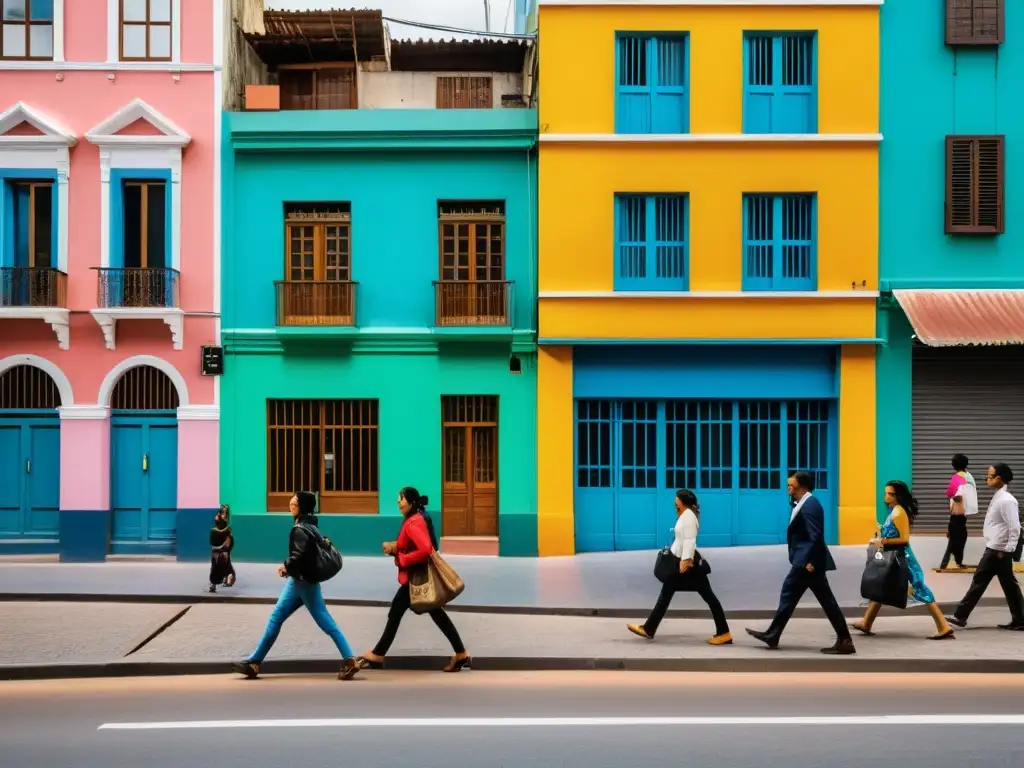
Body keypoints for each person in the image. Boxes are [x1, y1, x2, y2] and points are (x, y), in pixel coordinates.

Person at [232, 491, 360, 680]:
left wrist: (286, 566)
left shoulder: (300, 529)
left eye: (295, 503)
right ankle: (254, 661)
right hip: (302, 581)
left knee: (319, 620)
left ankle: (350, 660)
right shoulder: (312, 526)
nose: (291, 505)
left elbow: (299, 556)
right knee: (285, 618)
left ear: (302, 507)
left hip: (302, 582)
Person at [354, 487, 471, 673]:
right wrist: (394, 548)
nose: (399, 502)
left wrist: (403, 559)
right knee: (434, 613)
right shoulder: (412, 519)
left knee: (396, 613)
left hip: (416, 578)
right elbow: (411, 544)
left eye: (401, 499)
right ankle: (461, 654)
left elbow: (425, 549)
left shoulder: (413, 522)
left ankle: (378, 654)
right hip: (417, 576)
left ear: (411, 502)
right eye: (398, 499)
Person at [746, 471, 855, 654]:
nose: (788, 488)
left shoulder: (810, 505)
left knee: (797, 594)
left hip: (807, 563)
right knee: (807, 597)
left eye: (791, 485)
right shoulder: (801, 503)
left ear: (802, 487)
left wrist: (809, 561)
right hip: (806, 560)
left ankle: (844, 640)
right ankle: (774, 634)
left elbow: (816, 536)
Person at [627, 489, 732, 645]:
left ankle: (724, 633)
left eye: (677, 500)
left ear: (683, 503)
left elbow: (690, 541)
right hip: (685, 563)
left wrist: (685, 561)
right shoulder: (686, 515)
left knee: (706, 596)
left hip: (688, 565)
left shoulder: (688, 517)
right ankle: (649, 628)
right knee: (671, 593)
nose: (674, 502)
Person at [852, 481, 954, 640]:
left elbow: (904, 539)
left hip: (902, 558)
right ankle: (867, 622)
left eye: (890, 494)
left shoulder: (899, 513)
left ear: (898, 496)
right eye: (886, 493)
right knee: (881, 585)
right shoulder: (894, 511)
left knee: (920, 588)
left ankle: (943, 625)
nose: (886, 496)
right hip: (893, 556)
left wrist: (882, 541)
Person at [945, 464, 1024, 631]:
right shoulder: (1000, 497)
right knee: (1008, 585)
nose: (986, 479)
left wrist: (1007, 550)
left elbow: (1015, 527)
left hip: (998, 550)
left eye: (990, 476)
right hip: (996, 548)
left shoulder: (1007, 500)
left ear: (999, 478)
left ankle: (961, 616)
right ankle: (1020, 619)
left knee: (980, 581)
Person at [941, 454, 977, 569]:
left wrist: (955, 497)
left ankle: (950, 563)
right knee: (957, 538)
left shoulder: (958, 476)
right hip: (960, 515)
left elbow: (953, 494)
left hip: (957, 514)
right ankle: (947, 564)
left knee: (956, 538)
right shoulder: (968, 475)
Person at [209, 505, 236, 593]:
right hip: (216, 551)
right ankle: (213, 584)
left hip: (224, 551)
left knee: (226, 565)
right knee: (214, 568)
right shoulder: (215, 529)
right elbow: (213, 541)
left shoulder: (227, 528)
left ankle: (225, 579)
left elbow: (229, 542)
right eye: (223, 513)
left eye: (226, 513)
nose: (225, 515)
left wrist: (227, 546)